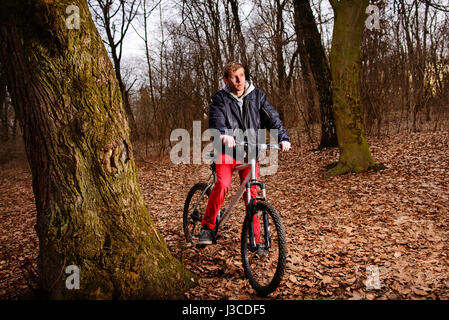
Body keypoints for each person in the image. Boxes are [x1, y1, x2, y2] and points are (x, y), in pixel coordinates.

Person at [199, 61, 291, 245]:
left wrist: (282, 137)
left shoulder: (257, 96)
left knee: (252, 194)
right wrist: (223, 134)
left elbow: (272, 117)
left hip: (250, 151)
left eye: (241, 74)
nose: (239, 79)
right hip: (227, 150)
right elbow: (216, 120)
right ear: (227, 79)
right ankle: (207, 227)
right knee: (223, 185)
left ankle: (256, 239)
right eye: (234, 76)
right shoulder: (220, 98)